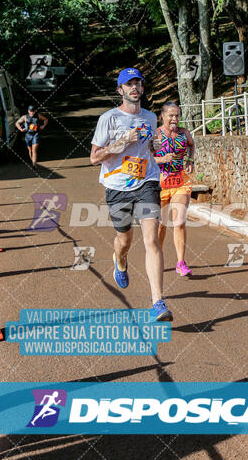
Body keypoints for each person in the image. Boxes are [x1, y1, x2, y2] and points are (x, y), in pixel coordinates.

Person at [90, 67, 173, 322]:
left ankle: (158, 302)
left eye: (138, 83)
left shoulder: (149, 117)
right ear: (120, 90)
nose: (134, 87)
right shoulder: (109, 119)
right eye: (129, 84)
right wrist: (123, 141)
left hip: (146, 182)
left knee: (152, 241)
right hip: (117, 187)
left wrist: (155, 146)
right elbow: (94, 158)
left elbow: (150, 147)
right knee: (124, 239)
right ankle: (120, 258)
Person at [154, 102, 195, 277]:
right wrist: (162, 159)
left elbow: (192, 145)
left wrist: (191, 160)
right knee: (161, 225)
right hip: (160, 182)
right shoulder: (155, 135)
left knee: (179, 222)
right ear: (162, 116)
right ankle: (157, 257)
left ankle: (181, 262)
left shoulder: (184, 133)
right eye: (171, 115)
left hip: (180, 180)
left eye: (177, 115)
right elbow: (147, 158)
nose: (174, 119)